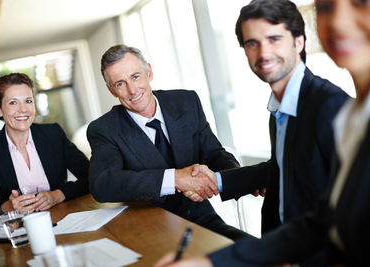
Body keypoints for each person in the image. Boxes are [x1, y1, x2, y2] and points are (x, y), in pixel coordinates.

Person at [154, 0, 370, 265]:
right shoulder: (282, 108)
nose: (263, 52)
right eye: (252, 43)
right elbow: (289, 174)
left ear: (299, 42)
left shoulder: (332, 108)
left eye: (274, 39)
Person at [87, 44, 248, 240]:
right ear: (111, 90)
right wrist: (175, 178)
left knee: (258, 253)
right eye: (120, 84)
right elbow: (104, 185)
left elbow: (214, 154)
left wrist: (242, 180)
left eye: (135, 76)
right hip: (148, 231)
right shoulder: (104, 129)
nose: (132, 90)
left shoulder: (186, 102)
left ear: (149, 72)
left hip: (202, 221)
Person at [0, 73, 89, 219]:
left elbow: (93, 177)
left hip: (64, 219)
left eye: (28, 101)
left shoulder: (53, 134)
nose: (24, 109)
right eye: (13, 102)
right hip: (21, 229)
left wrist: (59, 194)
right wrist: (6, 207)